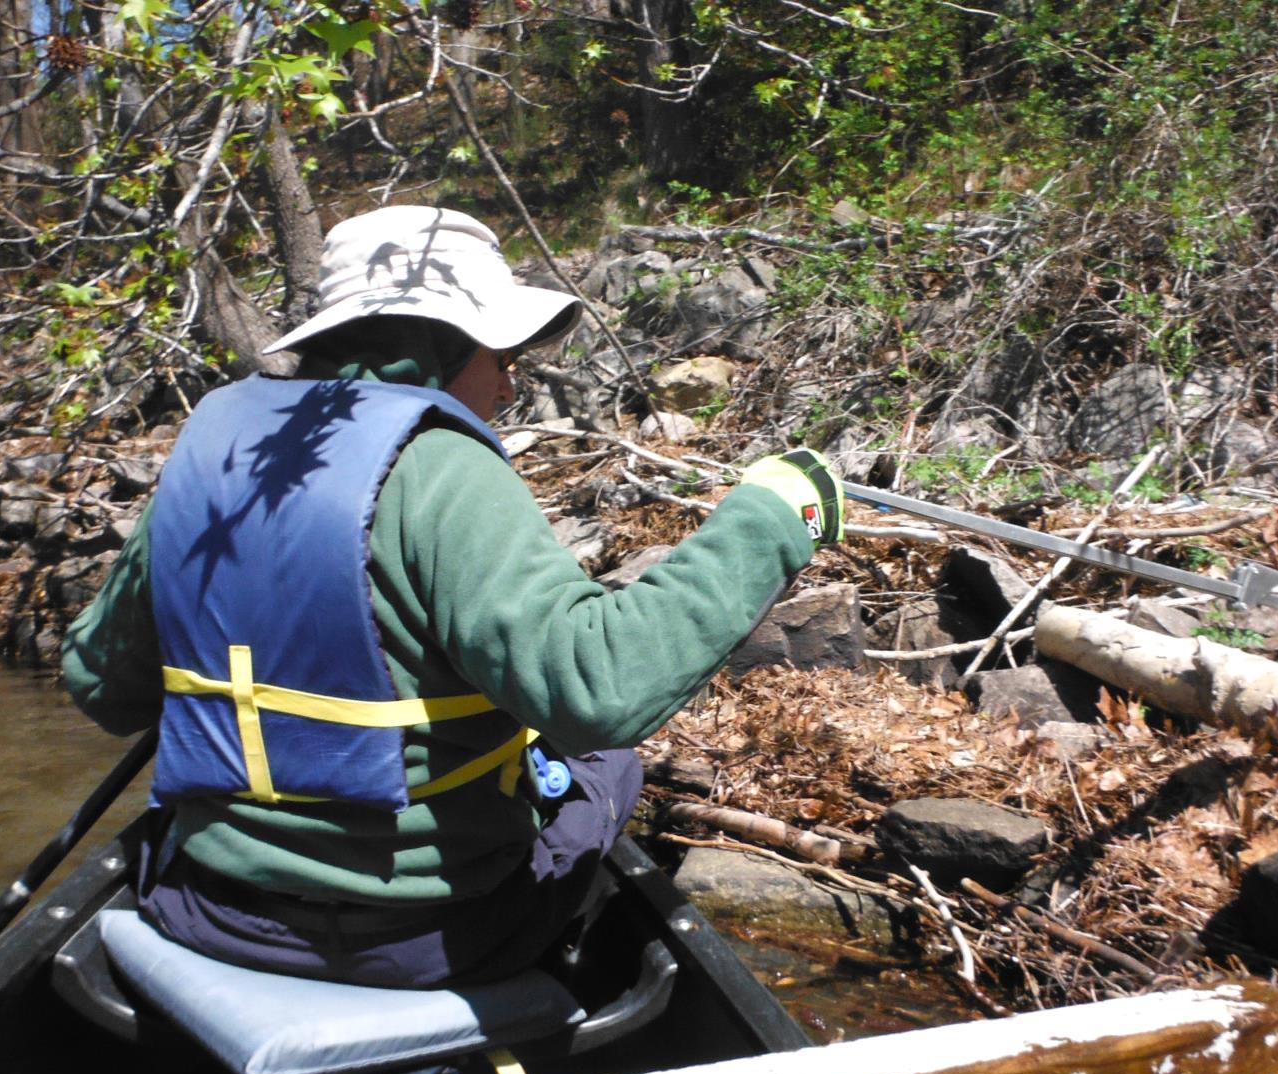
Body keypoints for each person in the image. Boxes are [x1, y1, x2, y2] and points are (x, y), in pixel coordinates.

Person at [62, 205, 844, 989]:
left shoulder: (223, 443)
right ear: (431, 347)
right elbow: (601, 690)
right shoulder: (438, 462)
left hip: (205, 904)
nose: (509, 384)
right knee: (608, 763)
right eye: (500, 354)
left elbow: (101, 685)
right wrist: (774, 518)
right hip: (421, 936)